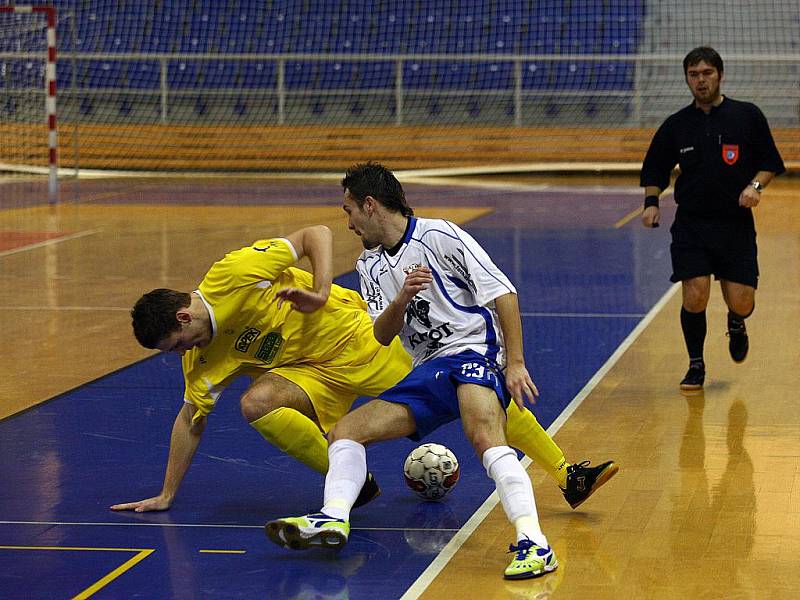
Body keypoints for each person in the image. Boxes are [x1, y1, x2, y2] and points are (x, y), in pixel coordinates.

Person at [266, 163, 618, 580]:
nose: (348, 224)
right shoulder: (369, 266)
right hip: (428, 369)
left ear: (371, 205)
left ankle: (535, 544)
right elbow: (382, 334)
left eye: (349, 211)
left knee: (486, 438)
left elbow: (503, 292)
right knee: (346, 431)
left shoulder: (440, 236)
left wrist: (516, 363)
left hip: (473, 352)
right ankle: (332, 518)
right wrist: (400, 300)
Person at [111, 224, 613, 516]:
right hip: (313, 374)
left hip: (360, 342)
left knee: (468, 388)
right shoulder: (202, 362)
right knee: (256, 403)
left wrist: (322, 289)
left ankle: (566, 473)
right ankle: (354, 482)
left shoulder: (231, 274)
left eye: (179, 342)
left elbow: (316, 233)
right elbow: (189, 420)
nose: (183, 353)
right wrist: (167, 493)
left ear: (184, 316)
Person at [641, 46, 785, 391]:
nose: (700, 81)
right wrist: (650, 202)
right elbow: (655, 167)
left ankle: (736, 321)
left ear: (720, 75)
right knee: (695, 293)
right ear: (687, 79)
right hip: (692, 225)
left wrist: (755, 186)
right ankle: (696, 363)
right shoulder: (677, 125)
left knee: (742, 301)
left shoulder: (747, 116)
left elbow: (770, 163)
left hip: (735, 226)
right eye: (693, 75)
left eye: (706, 73)